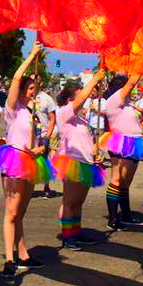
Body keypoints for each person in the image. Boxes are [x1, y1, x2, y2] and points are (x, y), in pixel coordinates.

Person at [0, 43, 51, 277]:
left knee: (21, 213)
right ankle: (9, 259)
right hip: (14, 160)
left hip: (30, 161)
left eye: (34, 88)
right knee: (12, 212)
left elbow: (38, 142)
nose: (32, 90)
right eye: (29, 87)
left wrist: (40, 148)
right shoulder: (12, 108)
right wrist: (31, 56)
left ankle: (23, 254)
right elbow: (17, 77)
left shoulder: (32, 113)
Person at [53, 70, 106, 250]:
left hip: (86, 163)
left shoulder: (81, 119)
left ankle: (76, 231)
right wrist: (95, 78)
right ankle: (68, 236)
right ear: (69, 100)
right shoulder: (64, 113)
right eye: (77, 98)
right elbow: (82, 98)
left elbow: (87, 140)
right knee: (70, 201)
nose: (82, 101)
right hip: (72, 162)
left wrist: (95, 153)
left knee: (78, 202)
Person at [99, 73, 143, 231]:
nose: (133, 89)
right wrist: (140, 64)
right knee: (117, 180)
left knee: (125, 182)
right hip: (122, 142)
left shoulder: (128, 103)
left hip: (134, 143)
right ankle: (113, 219)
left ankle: (125, 214)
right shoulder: (116, 99)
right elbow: (131, 83)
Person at [33, 84, 58, 199]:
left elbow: (53, 118)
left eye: (35, 80)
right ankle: (30, 186)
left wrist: (47, 136)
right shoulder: (25, 97)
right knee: (31, 159)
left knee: (45, 159)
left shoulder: (47, 98)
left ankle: (46, 186)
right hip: (31, 134)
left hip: (45, 133)